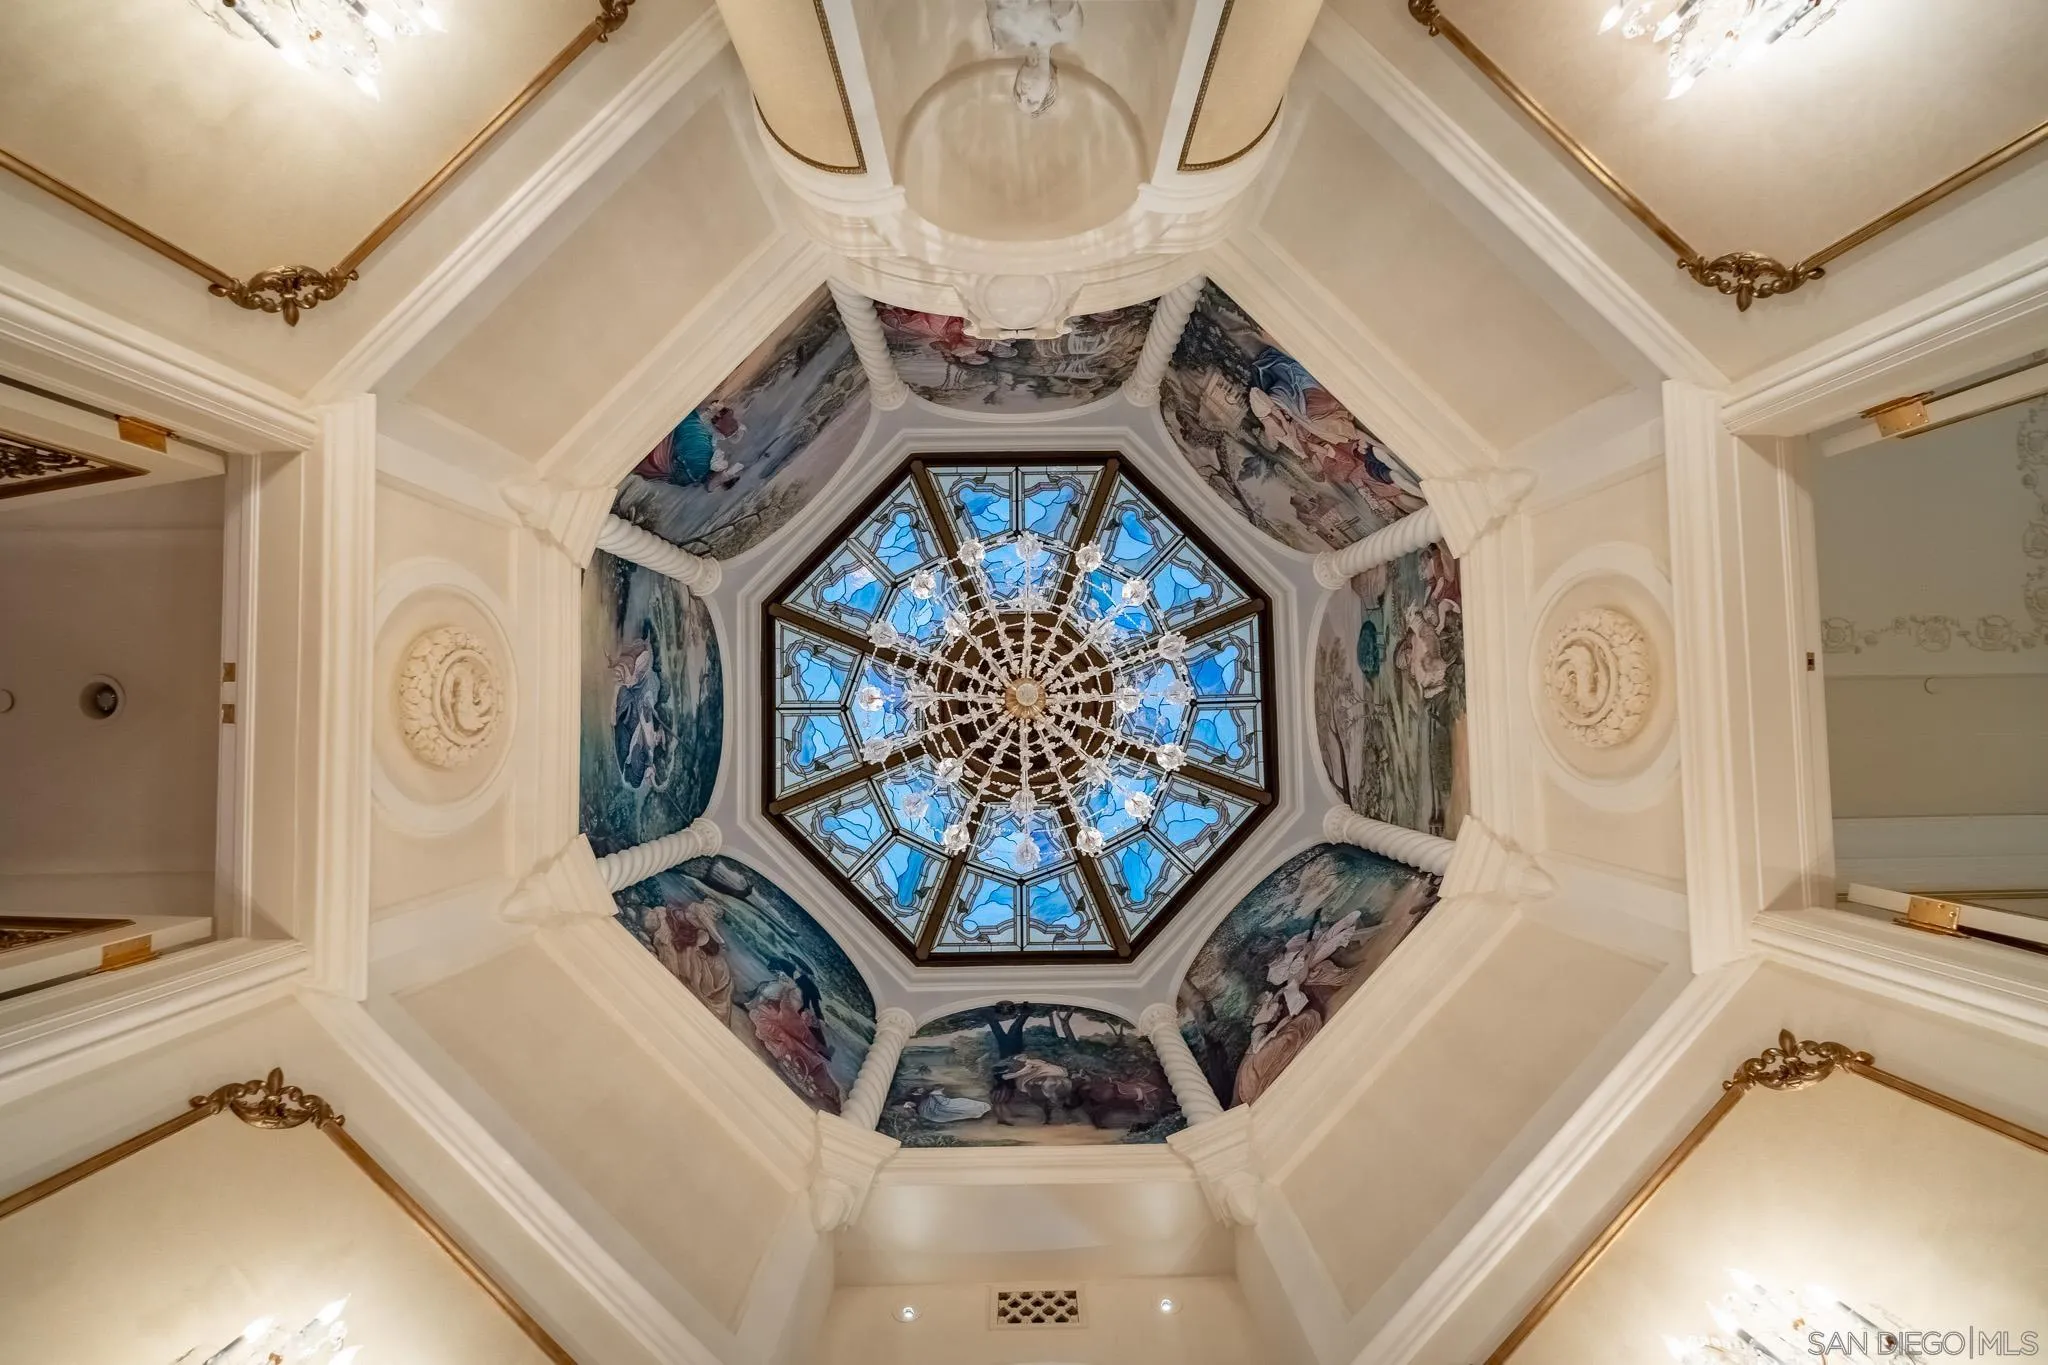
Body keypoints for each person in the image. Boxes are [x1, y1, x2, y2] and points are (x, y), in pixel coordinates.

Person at [747, 957, 841, 1112]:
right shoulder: (786, 986)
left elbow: (809, 1007)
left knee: (811, 1052)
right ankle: (823, 1082)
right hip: (788, 1021)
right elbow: (784, 1005)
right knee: (805, 1049)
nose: (798, 970)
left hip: (791, 1021)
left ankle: (828, 1087)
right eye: (798, 967)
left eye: (801, 969)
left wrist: (815, 1018)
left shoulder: (800, 988)